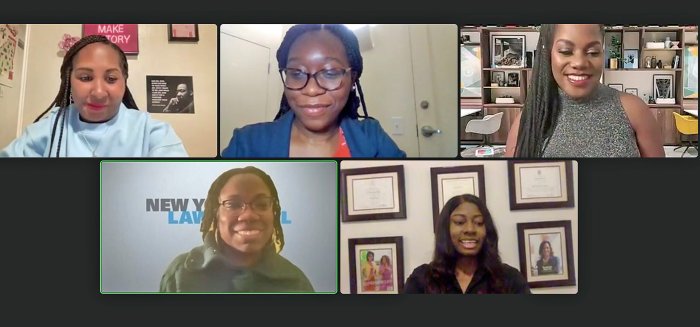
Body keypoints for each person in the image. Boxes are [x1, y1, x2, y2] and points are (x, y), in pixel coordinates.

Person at [221, 24, 406, 158]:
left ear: (352, 80)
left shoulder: (372, 137)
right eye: (297, 73)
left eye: (330, 73)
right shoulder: (246, 143)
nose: (311, 90)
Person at [0, 35, 188, 157]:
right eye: (85, 77)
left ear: (124, 81)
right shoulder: (47, 129)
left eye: (111, 78)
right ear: (69, 81)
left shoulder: (153, 134)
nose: (98, 92)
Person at [505, 24, 664, 157]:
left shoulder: (635, 110)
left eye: (593, 52)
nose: (579, 63)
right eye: (566, 51)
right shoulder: (529, 118)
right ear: (548, 54)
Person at [160, 166, 314, 292]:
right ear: (216, 213)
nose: (248, 215)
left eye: (261, 204)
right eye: (233, 204)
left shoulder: (296, 283)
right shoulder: (181, 274)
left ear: (273, 212)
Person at [403, 194, 530, 294]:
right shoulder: (421, 279)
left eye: (479, 222)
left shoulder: (509, 279)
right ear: (445, 229)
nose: (470, 229)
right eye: (459, 222)